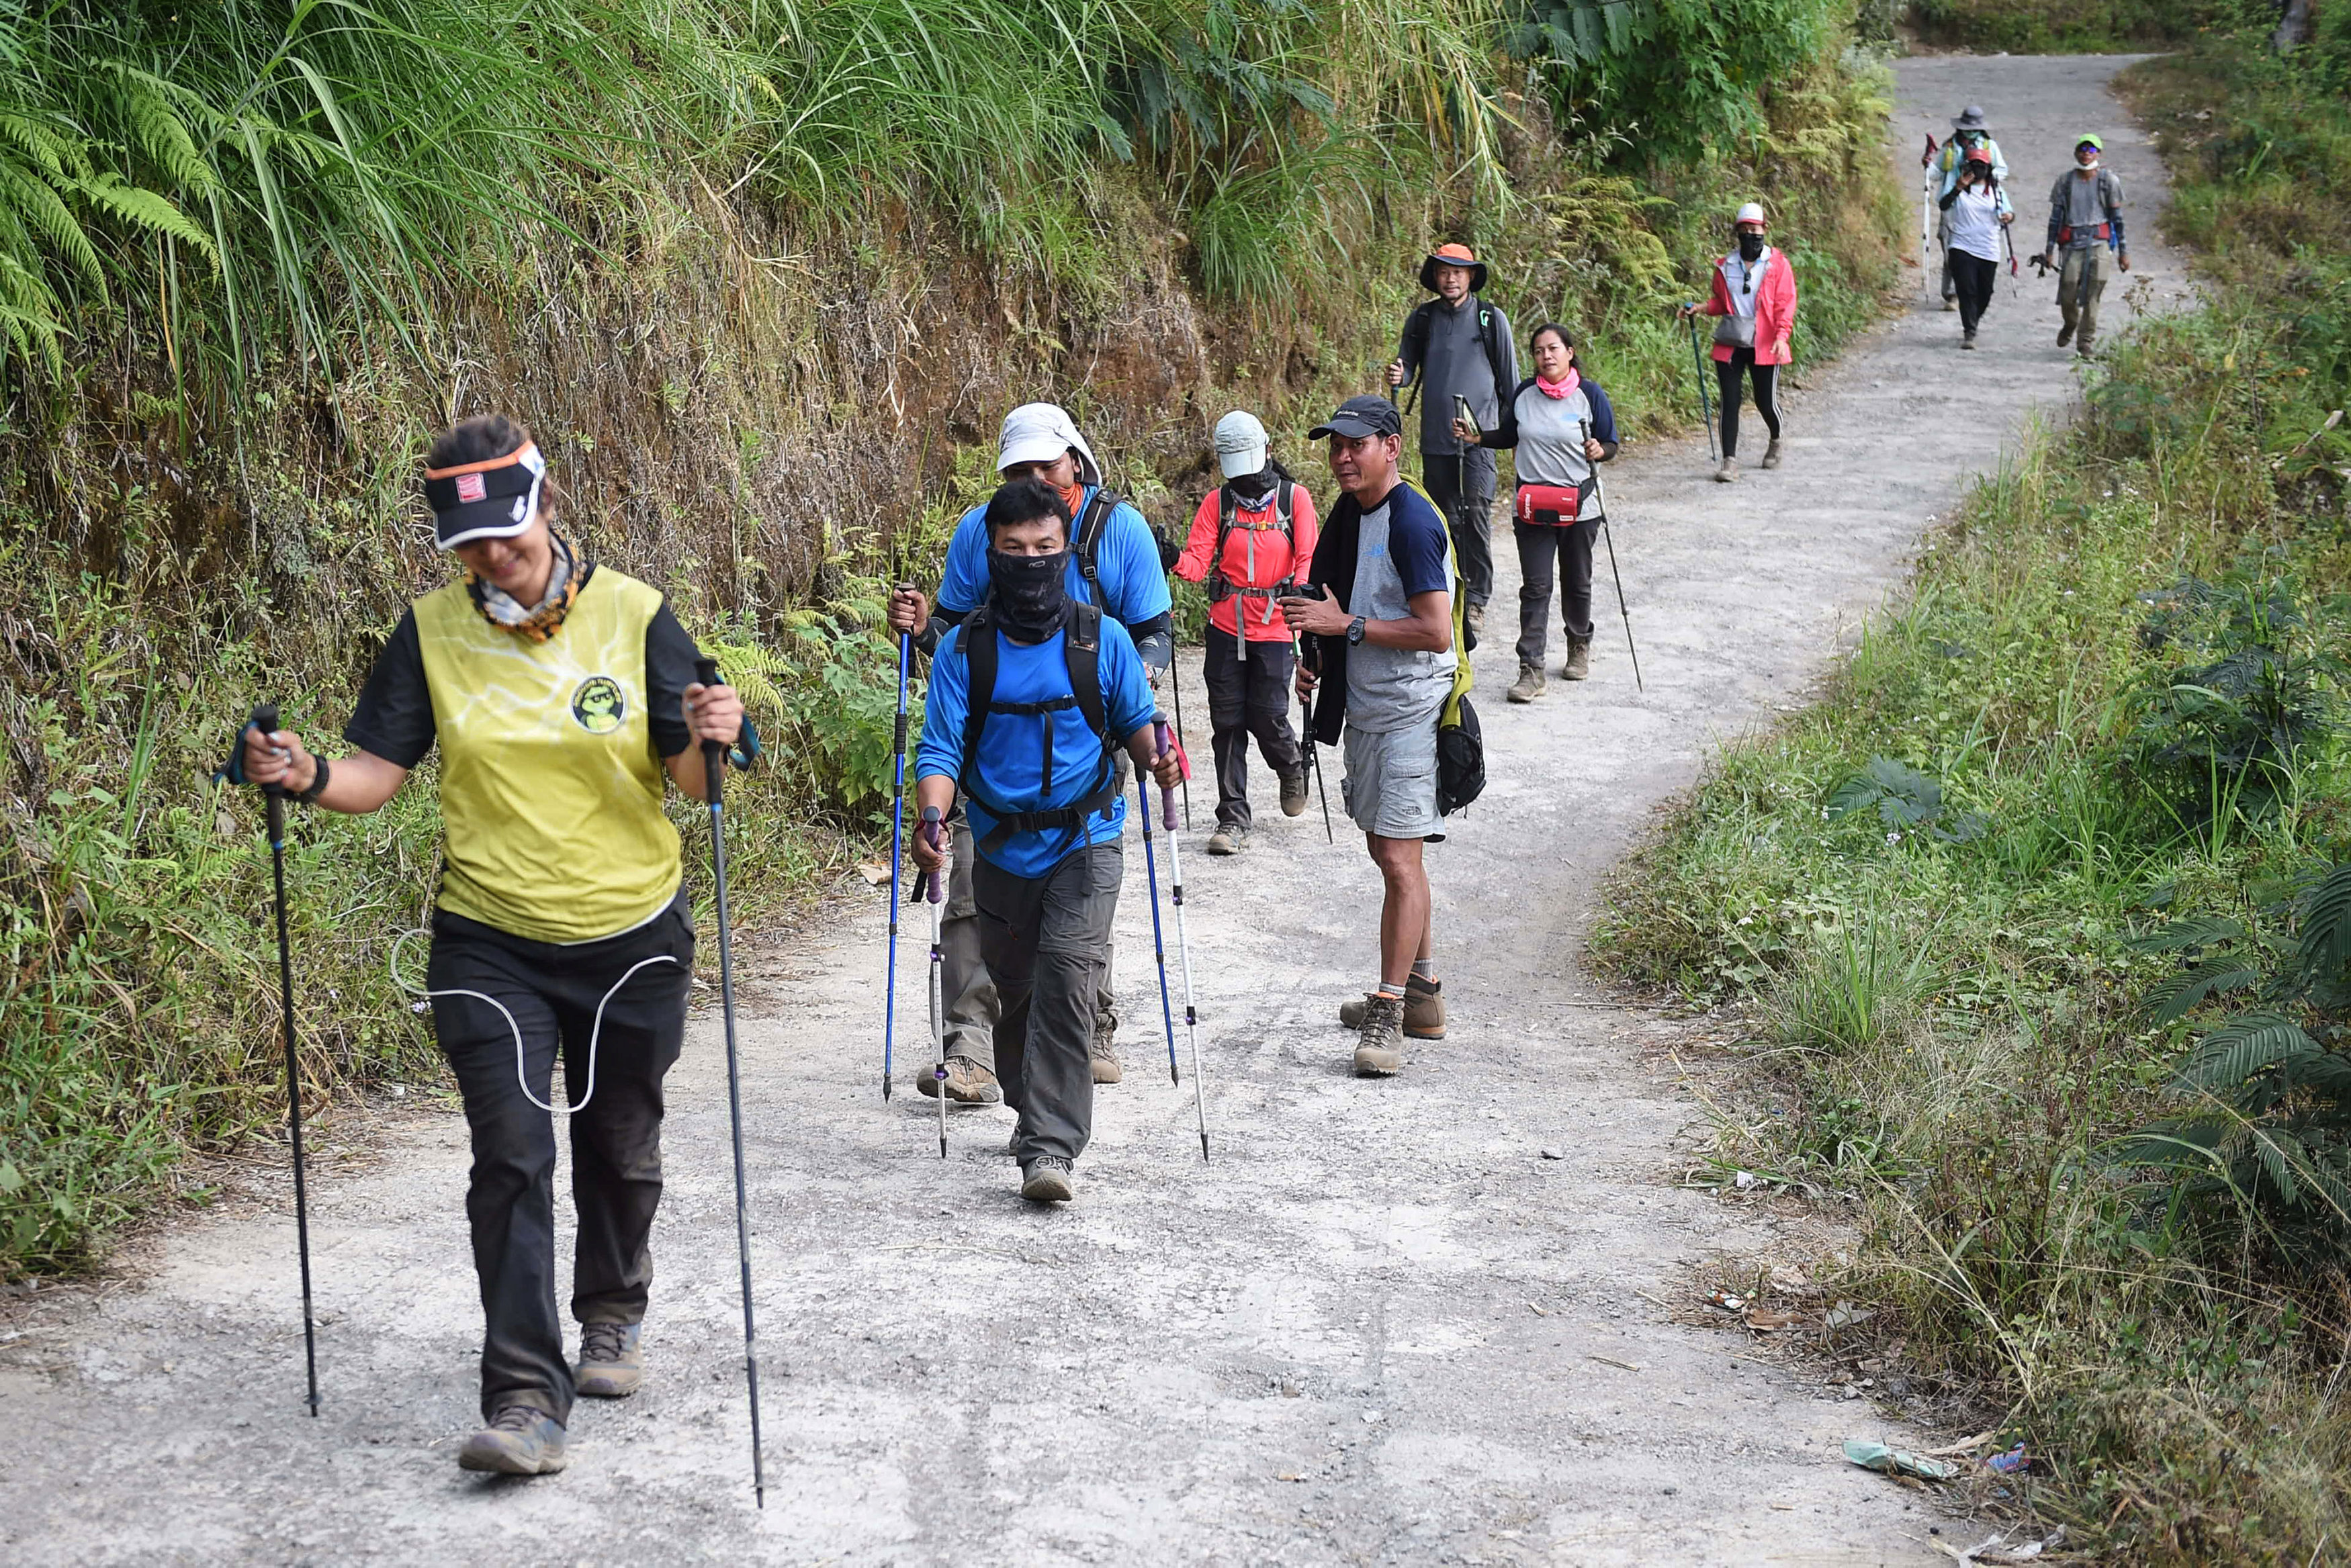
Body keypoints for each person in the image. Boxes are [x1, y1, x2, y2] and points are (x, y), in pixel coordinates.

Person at [236, 414, 746, 1477]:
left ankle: (612, 1306)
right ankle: (523, 1394)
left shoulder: (636, 616)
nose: (491, 564)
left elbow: (691, 785)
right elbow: (377, 772)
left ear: (548, 510)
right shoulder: (429, 632)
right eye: (470, 549)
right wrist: (304, 775)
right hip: (489, 939)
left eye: (508, 542)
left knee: (620, 1143)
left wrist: (712, 735)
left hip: (632, 934)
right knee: (510, 1156)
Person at [885, 404, 1173, 1095]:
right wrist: (923, 629)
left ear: (1074, 460)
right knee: (965, 891)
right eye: (1018, 468)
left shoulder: (1120, 532)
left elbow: (1155, 634)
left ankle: (1087, 1019)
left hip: (1091, 742)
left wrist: (1135, 716)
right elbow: (954, 641)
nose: (1034, 476)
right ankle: (969, 1046)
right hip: (986, 756)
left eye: (1045, 463)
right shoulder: (983, 533)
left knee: (1077, 888)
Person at [908, 478, 1182, 1204]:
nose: (1030, 561)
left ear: (1065, 552)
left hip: (1086, 840)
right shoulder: (964, 653)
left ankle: (1049, 1147)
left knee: (1066, 978)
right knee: (1016, 989)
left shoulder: (1102, 638)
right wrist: (931, 820)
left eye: (1044, 548)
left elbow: (1136, 722)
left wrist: (1158, 753)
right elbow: (939, 752)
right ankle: (1032, 1106)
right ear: (991, 555)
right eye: (1014, 549)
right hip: (999, 848)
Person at [1278, 396, 1457, 1076]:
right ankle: (1422, 994)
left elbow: (1434, 630)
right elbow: (1334, 601)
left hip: (1412, 707)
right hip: (1368, 703)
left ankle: (1388, 1009)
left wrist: (1343, 627)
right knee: (1392, 853)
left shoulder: (1411, 522)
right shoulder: (1350, 514)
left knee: (1396, 855)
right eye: (1334, 447)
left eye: (1355, 445)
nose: (1342, 458)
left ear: (1391, 446)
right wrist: (1318, 656)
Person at [1172, 410, 1320, 855]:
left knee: (1268, 714)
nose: (1248, 478)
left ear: (1268, 452)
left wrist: (1300, 593)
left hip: (1276, 628)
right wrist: (1169, 556)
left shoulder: (1296, 500)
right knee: (1228, 722)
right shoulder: (1217, 504)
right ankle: (1232, 818)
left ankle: (1292, 764)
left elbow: (1308, 558)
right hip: (1225, 627)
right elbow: (1198, 566)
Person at [1453, 324, 1620, 702]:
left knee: (1577, 581)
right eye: (1539, 351)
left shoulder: (1589, 395)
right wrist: (1478, 437)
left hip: (1581, 506)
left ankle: (1579, 644)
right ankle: (1531, 669)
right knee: (1536, 587)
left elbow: (1611, 442)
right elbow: (1510, 435)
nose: (1546, 356)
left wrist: (1600, 451)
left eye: (1553, 348)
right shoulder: (1525, 395)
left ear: (1570, 352)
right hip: (1533, 505)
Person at [1384, 242, 1515, 639]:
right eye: (1444, 271)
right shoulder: (1423, 319)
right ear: (1436, 277)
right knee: (1440, 518)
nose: (1451, 278)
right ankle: (1446, 590)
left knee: (1475, 514)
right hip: (1435, 439)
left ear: (1471, 276)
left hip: (1478, 440)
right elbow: (1406, 368)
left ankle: (1476, 598)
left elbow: (1510, 383)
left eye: (1459, 272)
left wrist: (1511, 433)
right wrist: (1398, 376)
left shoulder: (1492, 320)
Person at [1679, 202, 1796, 484]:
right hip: (1733, 341)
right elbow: (1723, 302)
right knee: (1729, 402)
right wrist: (1702, 308)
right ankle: (1729, 462)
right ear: (1737, 233)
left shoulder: (1777, 265)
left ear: (1764, 230)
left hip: (1766, 343)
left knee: (1764, 401)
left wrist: (1782, 337)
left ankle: (1777, 439)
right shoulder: (1725, 266)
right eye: (1744, 230)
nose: (1750, 235)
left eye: (1754, 229)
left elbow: (1785, 304)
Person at [2044, 134, 2128, 357]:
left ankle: (2085, 341)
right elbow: (2055, 219)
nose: (2086, 154)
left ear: (2099, 154)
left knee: (2093, 292)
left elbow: (2117, 219)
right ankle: (2071, 323)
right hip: (2073, 243)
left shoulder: (2108, 181)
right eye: (2082, 149)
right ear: (2075, 153)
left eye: (2091, 150)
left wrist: (2123, 252)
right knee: (2068, 288)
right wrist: (2049, 250)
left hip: (2099, 242)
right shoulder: (2065, 181)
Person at [1932, 106, 2009, 309]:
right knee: (1951, 246)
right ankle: (1952, 294)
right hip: (1952, 200)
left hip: (1979, 202)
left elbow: (2002, 170)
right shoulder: (1950, 146)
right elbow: (1937, 172)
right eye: (1966, 127)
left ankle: (1969, 290)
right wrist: (1927, 165)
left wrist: (1983, 173)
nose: (1969, 132)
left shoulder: (1988, 145)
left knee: (1976, 248)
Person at [1940, 146, 2014, 349]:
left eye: (1982, 166)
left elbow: (2009, 213)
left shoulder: (1996, 190)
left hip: (1988, 248)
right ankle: (1969, 331)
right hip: (1961, 246)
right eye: (1974, 165)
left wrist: (2008, 216)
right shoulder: (1959, 188)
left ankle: (1974, 318)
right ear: (1966, 166)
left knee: (1985, 291)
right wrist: (1958, 187)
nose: (1978, 169)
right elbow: (1944, 205)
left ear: (1989, 168)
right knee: (1966, 290)